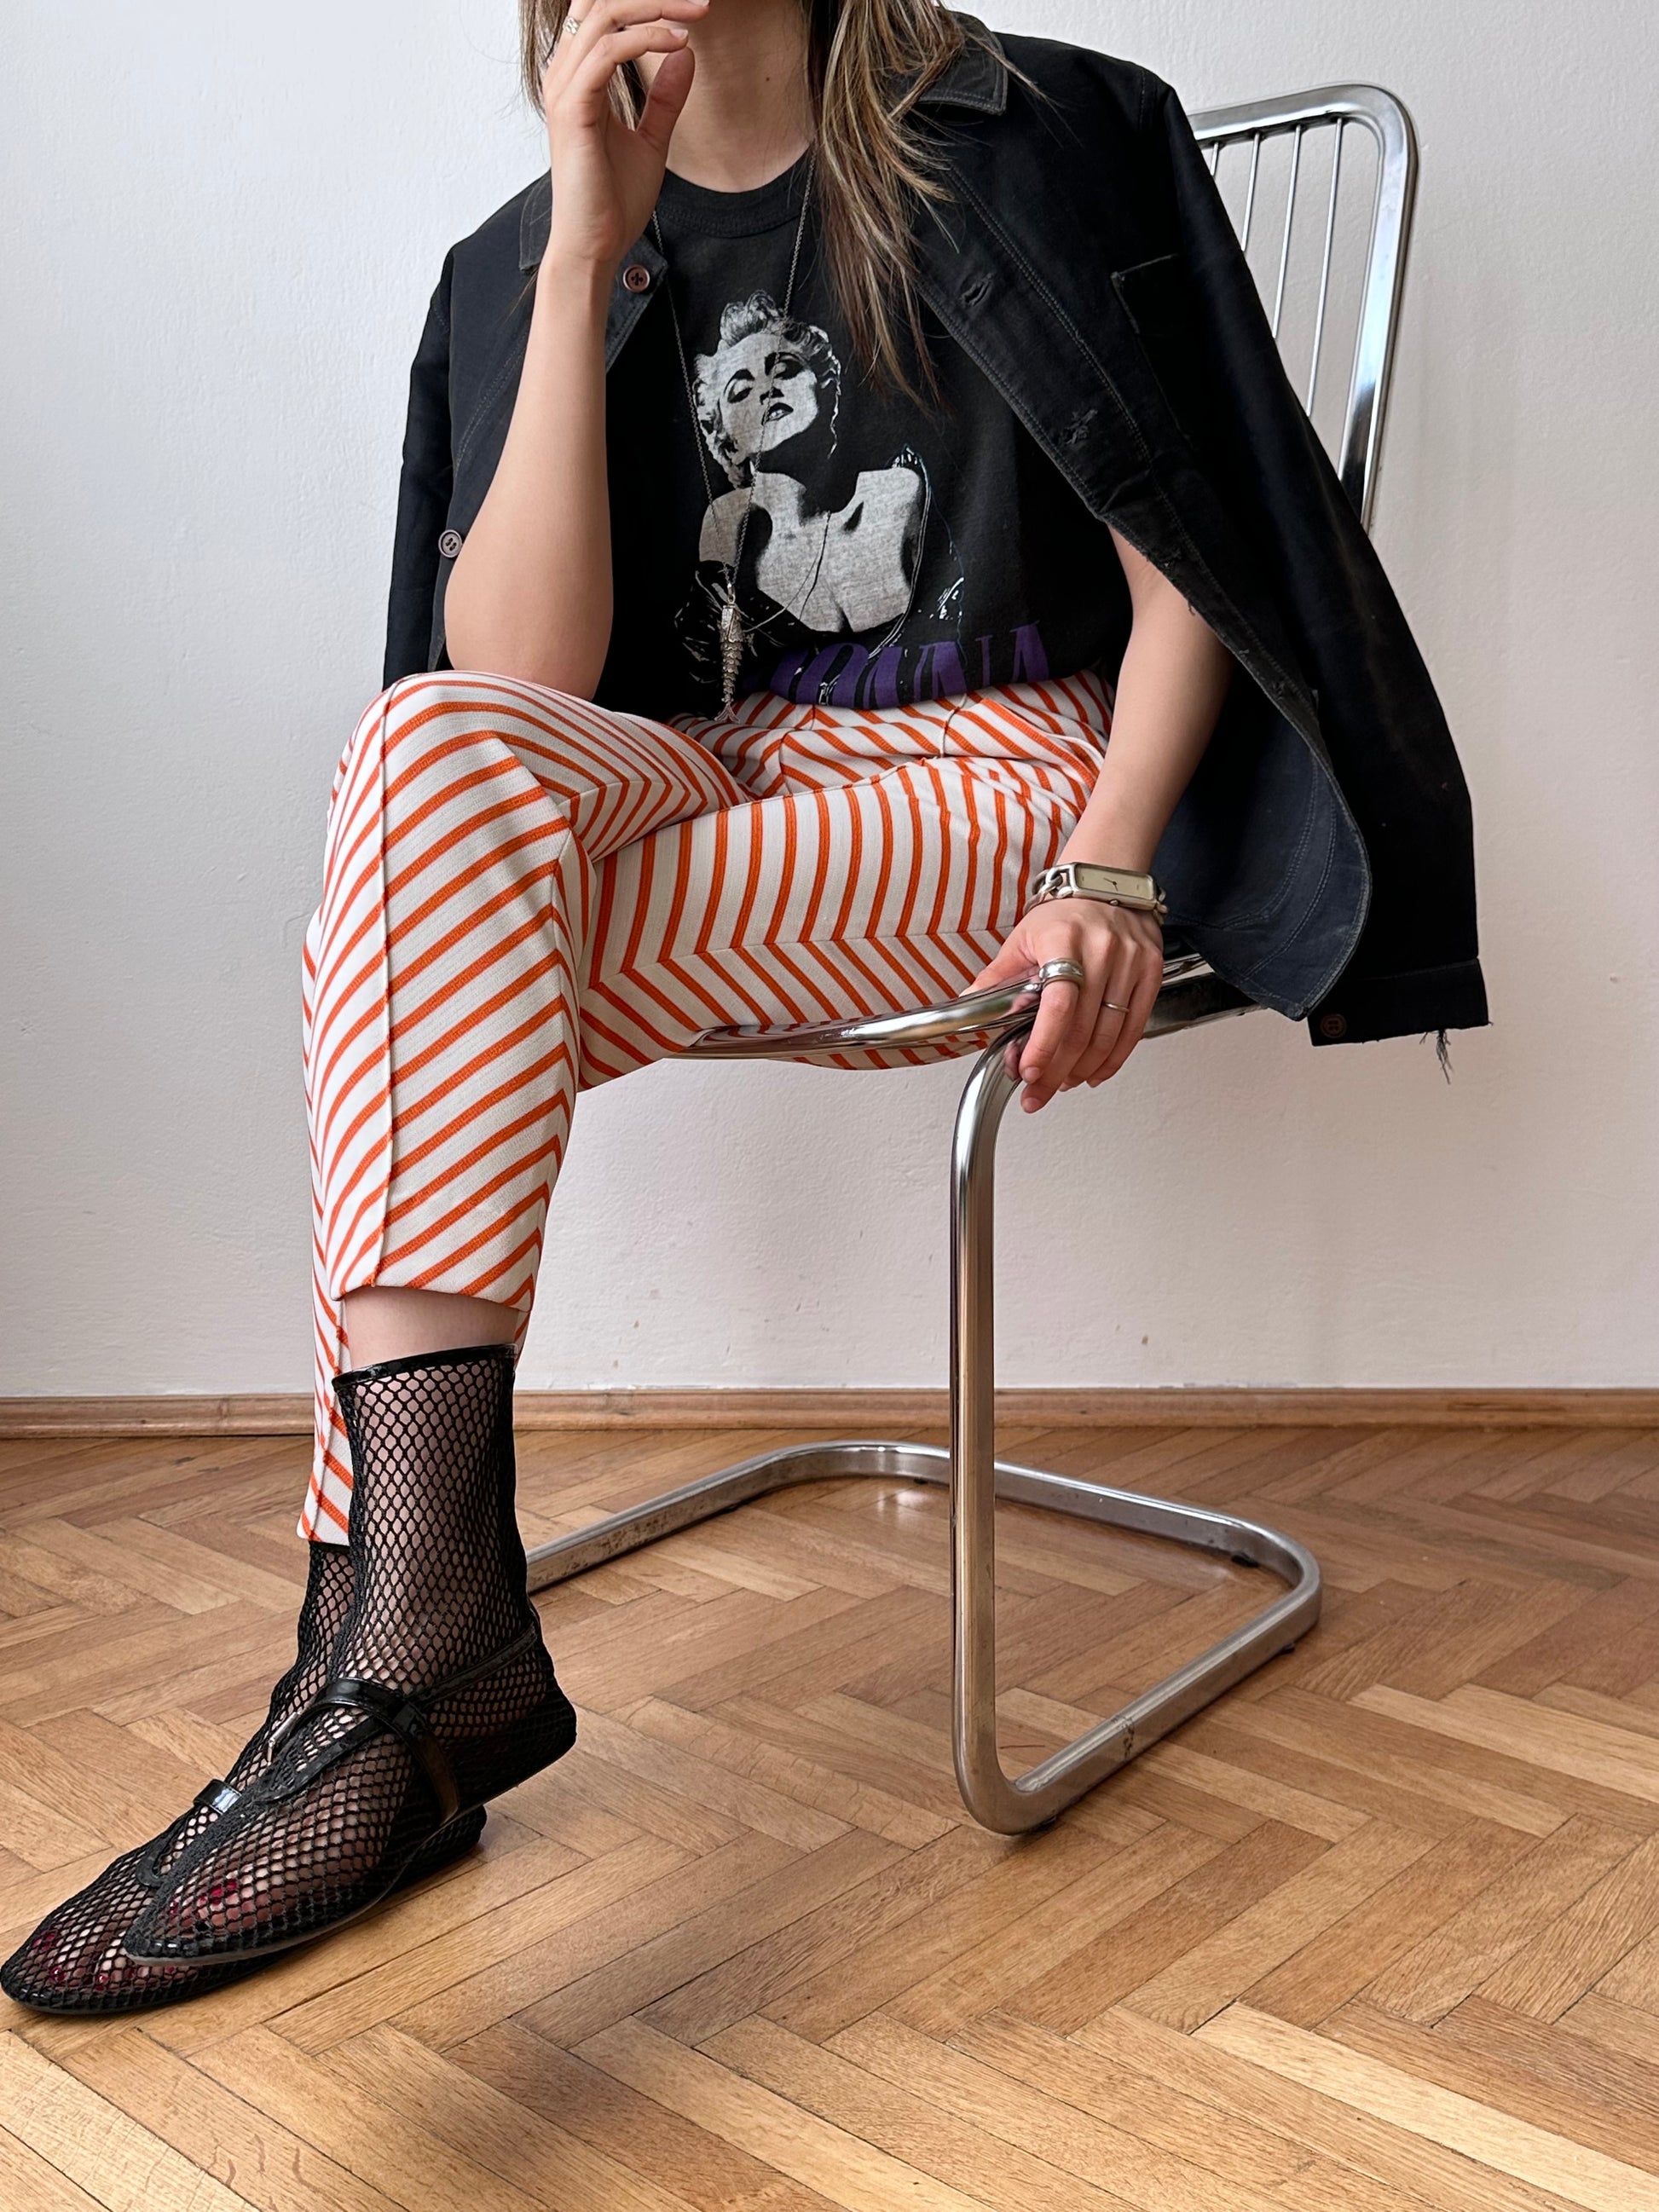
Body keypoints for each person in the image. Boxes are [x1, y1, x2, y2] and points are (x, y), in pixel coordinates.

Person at [3, 0, 1484, 2013]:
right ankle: (415, 1642)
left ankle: (386, 1648)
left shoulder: (1041, 126)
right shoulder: (514, 253)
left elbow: (1192, 560)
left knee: (406, 956)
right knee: (418, 780)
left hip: (1001, 770)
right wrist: (584, 256)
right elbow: (510, 690)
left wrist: (1109, 861)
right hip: (713, 766)